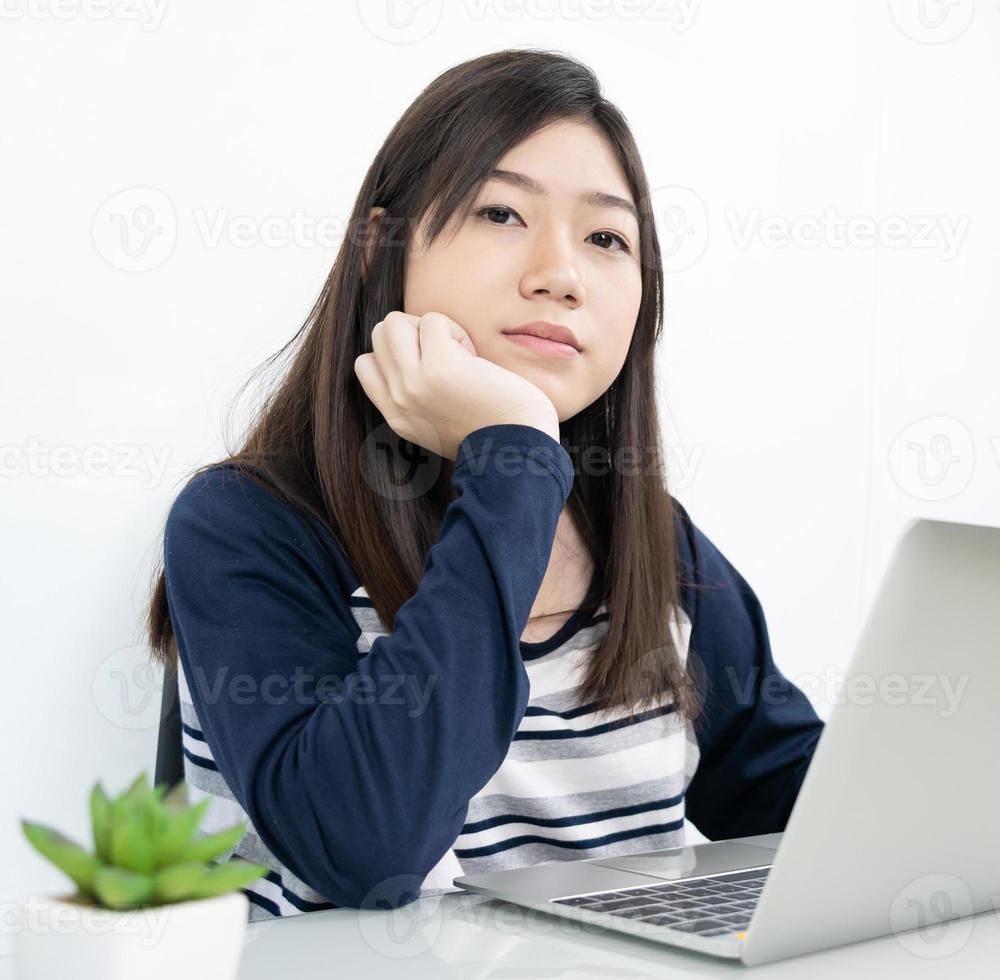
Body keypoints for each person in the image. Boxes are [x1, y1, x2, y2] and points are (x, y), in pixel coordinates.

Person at [144, 48, 824, 920]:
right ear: (377, 251)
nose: (561, 273)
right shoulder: (246, 524)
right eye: (501, 213)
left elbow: (800, 807)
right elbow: (366, 849)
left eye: (607, 238)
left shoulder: (652, 540)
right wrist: (513, 460)